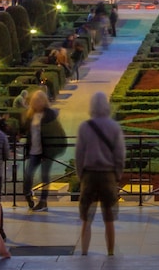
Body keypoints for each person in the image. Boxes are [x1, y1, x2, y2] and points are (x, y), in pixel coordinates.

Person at [75, 91, 126, 256]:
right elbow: (120, 155)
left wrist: (80, 175)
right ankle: (110, 252)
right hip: (108, 175)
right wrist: (117, 174)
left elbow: (79, 154)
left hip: (89, 175)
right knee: (109, 220)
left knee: (86, 219)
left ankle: (84, 251)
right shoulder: (114, 127)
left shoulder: (84, 127)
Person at [20, 88, 67, 211]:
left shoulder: (49, 114)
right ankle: (28, 195)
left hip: (46, 150)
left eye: (40, 100)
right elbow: (24, 129)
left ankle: (43, 201)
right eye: (35, 101)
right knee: (28, 174)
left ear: (44, 101)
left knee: (44, 176)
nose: (37, 103)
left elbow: (56, 131)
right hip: (34, 150)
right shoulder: (30, 114)